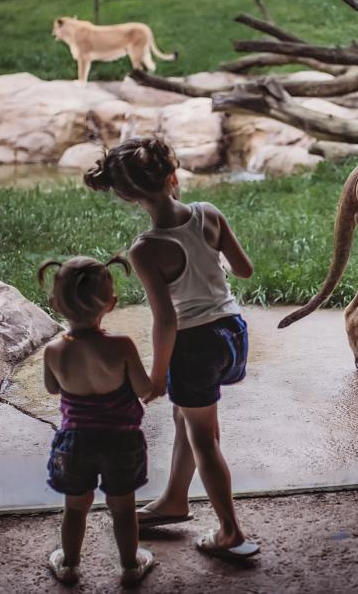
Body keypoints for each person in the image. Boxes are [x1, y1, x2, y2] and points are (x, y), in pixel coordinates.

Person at [84, 137, 260, 559]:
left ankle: (230, 532)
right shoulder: (209, 214)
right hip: (233, 333)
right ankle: (175, 500)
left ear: (127, 196)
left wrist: (158, 374)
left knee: (204, 436)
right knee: (187, 416)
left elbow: (165, 320)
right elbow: (244, 269)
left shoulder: (146, 249)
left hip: (195, 344)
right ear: (172, 175)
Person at [38, 255, 156, 585]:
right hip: (122, 442)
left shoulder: (53, 350)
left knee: (75, 508)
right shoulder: (121, 346)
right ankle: (131, 566)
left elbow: (51, 388)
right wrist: (160, 377)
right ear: (111, 303)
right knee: (123, 509)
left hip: (76, 442)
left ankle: (70, 565)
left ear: (54, 304)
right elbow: (144, 389)